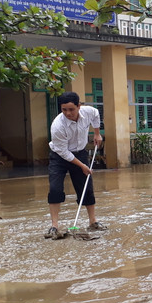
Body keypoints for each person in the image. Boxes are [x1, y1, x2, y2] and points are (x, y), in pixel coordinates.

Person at [45, 92, 106, 239]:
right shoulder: (57, 126)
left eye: (71, 109)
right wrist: (82, 166)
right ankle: (54, 226)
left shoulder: (88, 111)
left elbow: (96, 115)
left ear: (79, 106)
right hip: (59, 156)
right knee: (55, 188)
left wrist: (97, 134)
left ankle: (93, 222)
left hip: (80, 152)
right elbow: (64, 153)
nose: (67, 113)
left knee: (86, 187)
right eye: (64, 109)